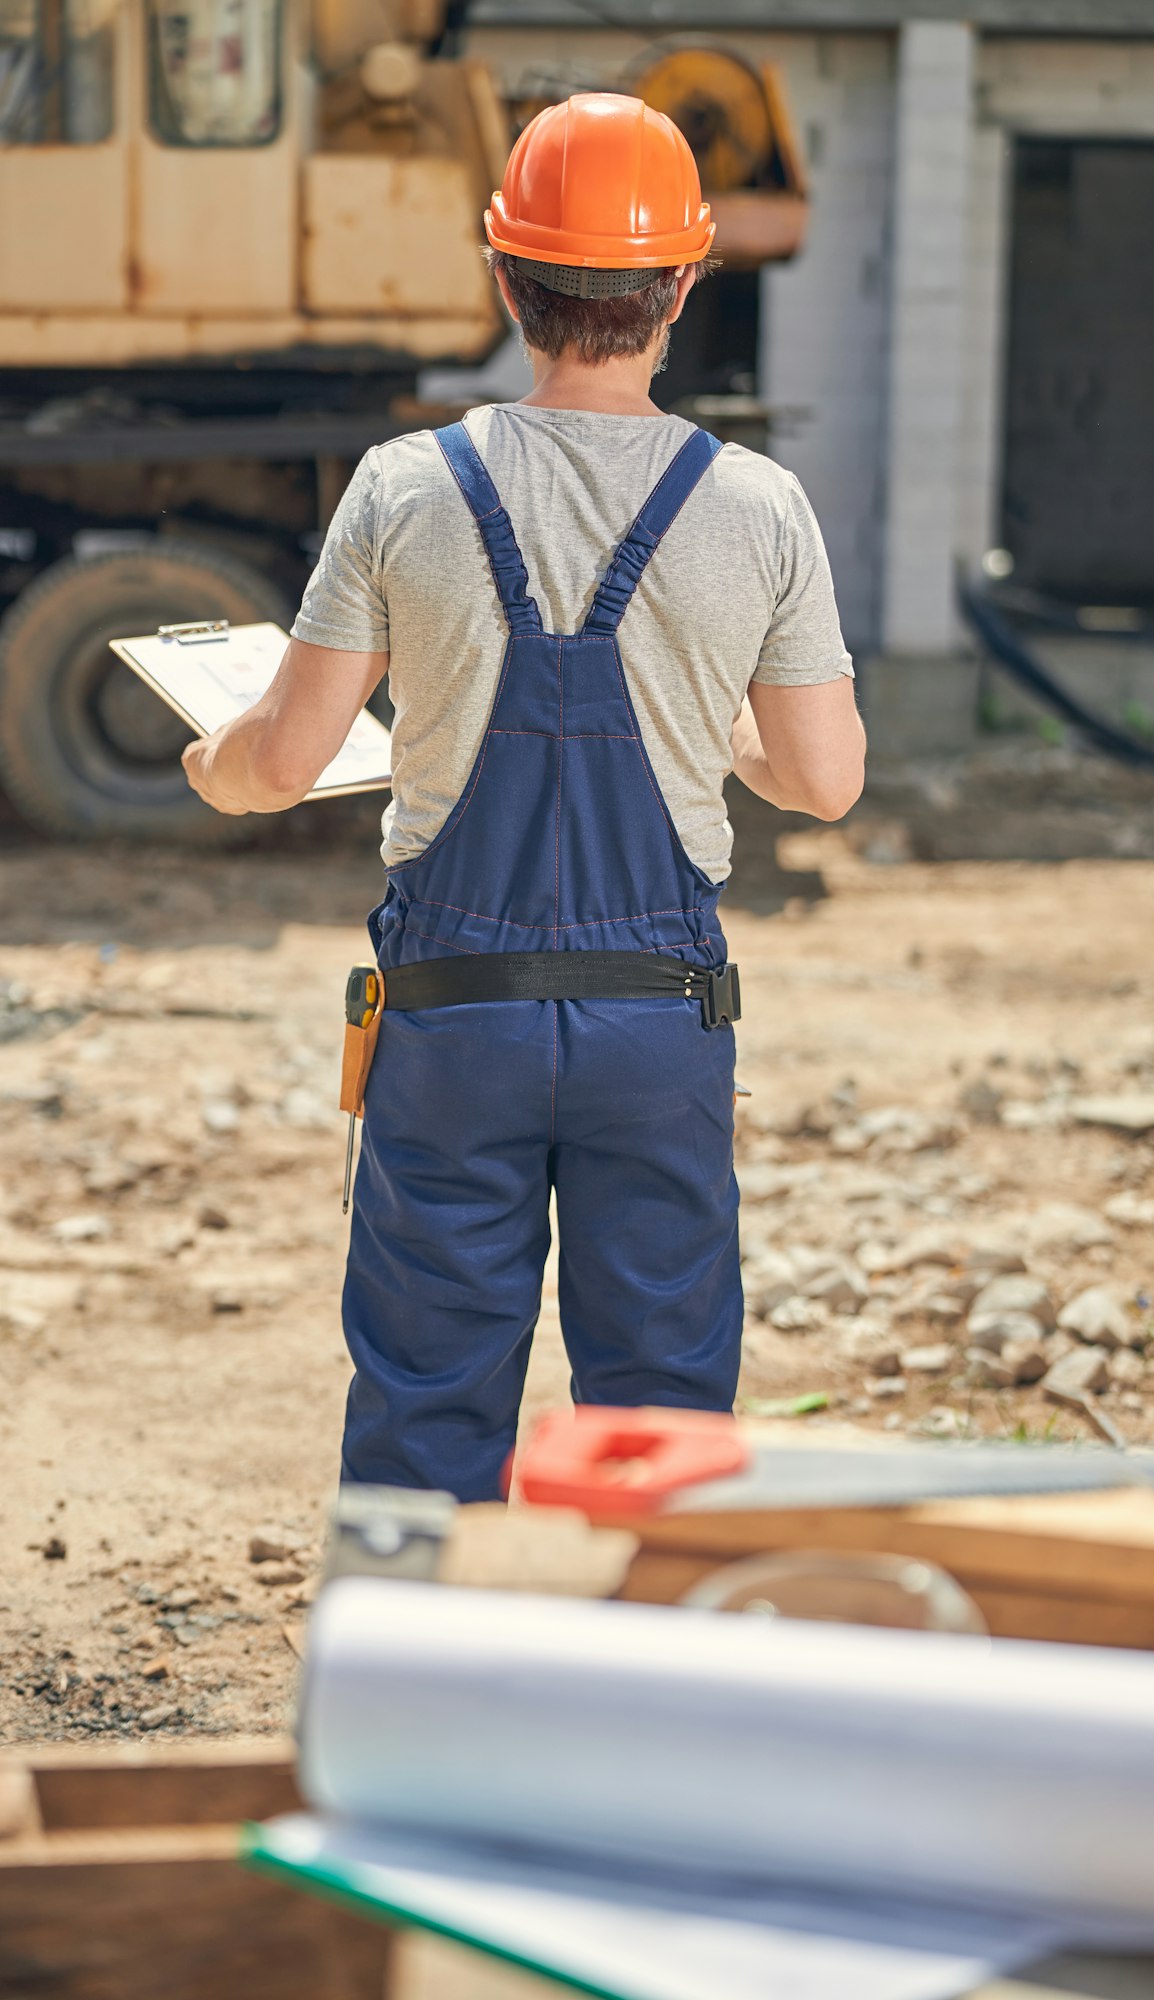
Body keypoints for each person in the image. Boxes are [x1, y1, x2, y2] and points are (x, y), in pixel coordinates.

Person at [182, 92, 865, 1500]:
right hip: (658, 1024)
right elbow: (821, 781)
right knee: (663, 1418)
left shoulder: (401, 488)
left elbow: (278, 763)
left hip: (453, 1019)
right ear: (680, 286)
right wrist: (710, 724)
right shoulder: (756, 505)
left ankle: (408, 1690)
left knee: (426, 1403)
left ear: (504, 277)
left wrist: (211, 762)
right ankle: (641, 1692)